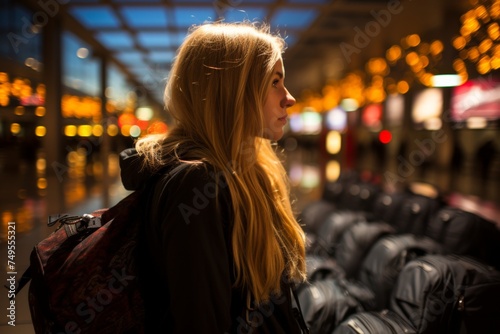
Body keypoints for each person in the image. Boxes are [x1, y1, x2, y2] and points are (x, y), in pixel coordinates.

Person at [119, 21, 308, 333]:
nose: (288, 98)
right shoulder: (196, 186)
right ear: (234, 90)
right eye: (275, 82)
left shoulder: (247, 167)